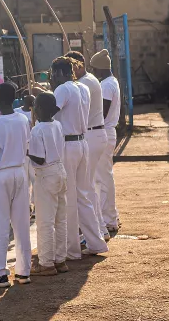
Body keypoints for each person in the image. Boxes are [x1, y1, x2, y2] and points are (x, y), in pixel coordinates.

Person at [50, 57, 109, 260]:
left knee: (69, 198)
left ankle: (71, 250)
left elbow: (48, 113)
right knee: (84, 195)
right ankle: (96, 242)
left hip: (68, 144)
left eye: (52, 74)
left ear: (58, 73)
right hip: (82, 142)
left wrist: (42, 96)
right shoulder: (81, 87)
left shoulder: (62, 89)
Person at [0, 82, 32, 288]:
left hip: (0, 175)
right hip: (20, 172)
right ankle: (24, 271)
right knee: (21, 223)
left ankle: (1, 273)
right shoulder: (22, 119)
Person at [65, 50, 109, 243]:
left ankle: (94, 234)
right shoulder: (89, 80)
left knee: (85, 189)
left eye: (71, 66)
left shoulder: (84, 83)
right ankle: (100, 230)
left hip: (91, 134)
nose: (70, 71)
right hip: (95, 133)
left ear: (79, 65)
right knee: (88, 187)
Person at [27, 92, 68, 277]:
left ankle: (46, 262)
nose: (33, 109)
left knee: (45, 221)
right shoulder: (57, 124)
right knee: (60, 219)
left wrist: (26, 150)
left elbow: (40, 158)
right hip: (60, 170)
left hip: (46, 174)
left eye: (35, 105)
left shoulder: (38, 129)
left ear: (41, 109)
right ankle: (60, 259)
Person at [91, 49, 121, 238]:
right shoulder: (111, 81)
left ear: (100, 70)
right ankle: (111, 216)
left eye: (94, 70)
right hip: (109, 132)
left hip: (104, 131)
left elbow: (100, 113)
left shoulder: (105, 86)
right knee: (105, 177)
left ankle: (108, 219)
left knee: (102, 179)